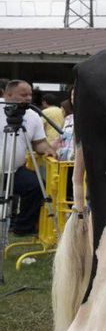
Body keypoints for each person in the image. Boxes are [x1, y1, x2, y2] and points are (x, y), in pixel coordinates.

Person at [2, 79, 54, 236]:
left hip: (15, 170)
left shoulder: (33, 116)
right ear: (7, 95)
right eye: (23, 95)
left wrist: (48, 150)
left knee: (36, 186)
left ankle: (22, 229)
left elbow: (39, 142)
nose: (28, 98)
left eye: (30, 95)